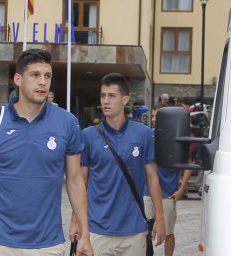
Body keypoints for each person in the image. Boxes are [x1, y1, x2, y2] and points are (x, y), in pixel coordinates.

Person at [0, 49, 93, 256]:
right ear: (18, 79)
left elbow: (74, 180)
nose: (42, 82)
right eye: (35, 75)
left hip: (48, 245)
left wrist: (85, 234)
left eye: (47, 76)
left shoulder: (67, 122)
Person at [71, 73, 166, 256]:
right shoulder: (89, 135)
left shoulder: (143, 134)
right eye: (102, 95)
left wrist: (160, 219)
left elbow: (153, 178)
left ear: (125, 99)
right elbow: (81, 182)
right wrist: (76, 220)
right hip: (97, 231)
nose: (105, 101)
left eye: (111, 96)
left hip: (134, 230)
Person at [145, 105, 193, 256]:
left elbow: (189, 164)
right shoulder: (147, 135)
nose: (153, 119)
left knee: (168, 233)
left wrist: (181, 189)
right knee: (141, 232)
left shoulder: (177, 137)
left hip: (168, 193)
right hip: (146, 193)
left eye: (156, 116)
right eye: (152, 116)